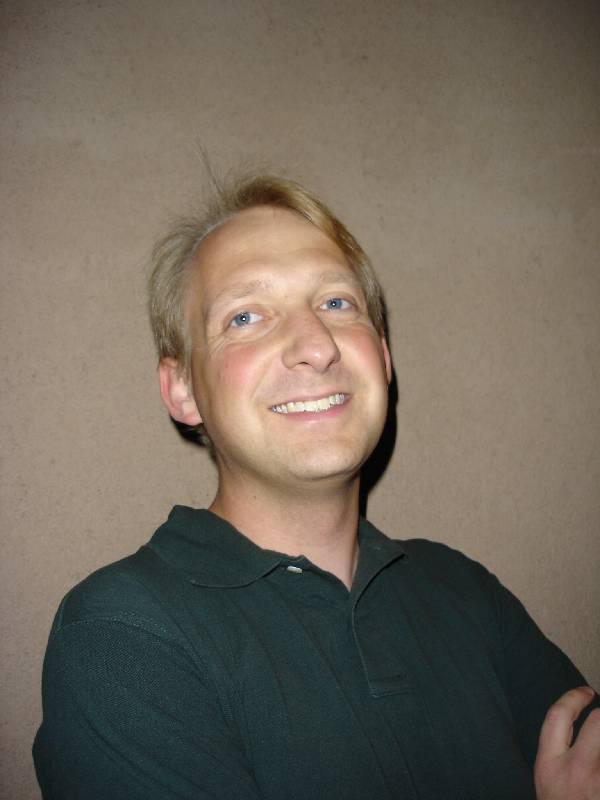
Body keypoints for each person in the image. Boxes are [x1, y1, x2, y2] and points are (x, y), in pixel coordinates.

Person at [33, 173, 599, 799]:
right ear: (183, 389)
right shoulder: (123, 636)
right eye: (246, 316)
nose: (316, 345)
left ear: (383, 357)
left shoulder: (465, 591)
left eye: (336, 303)